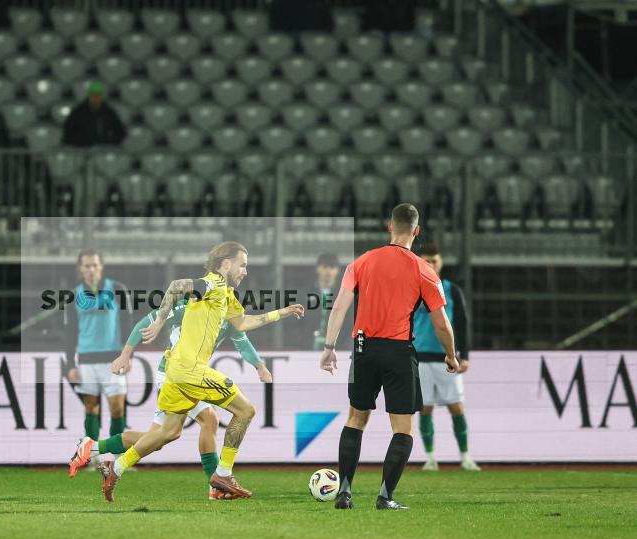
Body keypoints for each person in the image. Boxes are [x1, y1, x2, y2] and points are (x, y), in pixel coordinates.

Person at [88, 241, 305, 502]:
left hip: (175, 371)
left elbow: (244, 323)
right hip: (191, 370)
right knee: (246, 410)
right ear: (226, 264)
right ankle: (222, 475)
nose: (245, 271)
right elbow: (176, 286)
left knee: (166, 433)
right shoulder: (213, 283)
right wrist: (159, 320)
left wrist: (282, 312)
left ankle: (116, 468)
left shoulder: (228, 296)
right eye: (242, 265)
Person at [320, 204, 458, 510]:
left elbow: (340, 307)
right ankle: (385, 496)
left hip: (362, 349)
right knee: (403, 428)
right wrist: (451, 354)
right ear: (416, 231)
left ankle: (344, 491)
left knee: (356, 418)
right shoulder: (424, 270)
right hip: (398, 351)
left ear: (388, 227)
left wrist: (329, 347)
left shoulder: (362, 262)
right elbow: (441, 322)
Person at [68, 297, 273, 500]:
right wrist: (125, 355)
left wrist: (260, 366)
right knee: (208, 420)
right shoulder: (189, 307)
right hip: (172, 375)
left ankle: (93, 447)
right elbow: (144, 322)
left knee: (160, 436)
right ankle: (216, 485)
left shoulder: (228, 315)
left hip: (189, 375)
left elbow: (243, 342)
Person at [413, 244, 479, 472]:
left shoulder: (452, 290)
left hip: (447, 357)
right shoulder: (411, 289)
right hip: (419, 357)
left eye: (434, 260)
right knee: (425, 409)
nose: (431, 264)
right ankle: (430, 458)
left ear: (441, 262)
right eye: (426, 261)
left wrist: (465, 355)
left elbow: (462, 323)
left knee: (457, 407)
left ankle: (465, 456)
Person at [63, 250, 132, 454]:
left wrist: (127, 356)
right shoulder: (74, 295)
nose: (91, 269)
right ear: (80, 268)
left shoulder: (117, 289)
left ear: (101, 266)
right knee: (91, 407)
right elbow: (69, 333)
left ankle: (117, 457)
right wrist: (69, 365)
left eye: (94, 265)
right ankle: (91, 456)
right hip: (86, 360)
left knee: (117, 408)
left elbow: (128, 326)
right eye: (86, 265)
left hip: (113, 359)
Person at [62, 81, 127, 148]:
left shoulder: (108, 113)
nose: (95, 99)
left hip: (102, 150)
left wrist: (108, 142)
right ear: (89, 96)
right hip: (82, 149)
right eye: (93, 96)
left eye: (98, 96)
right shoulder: (78, 113)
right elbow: (68, 134)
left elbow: (120, 133)